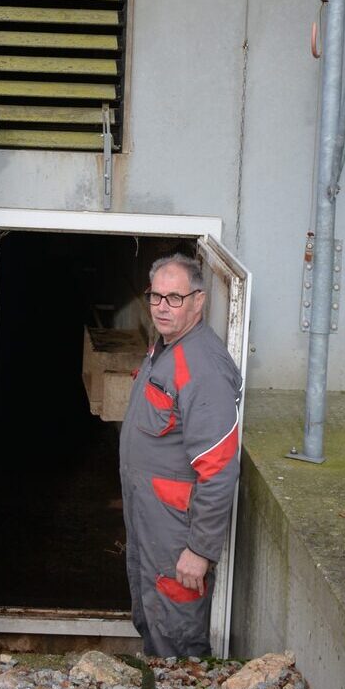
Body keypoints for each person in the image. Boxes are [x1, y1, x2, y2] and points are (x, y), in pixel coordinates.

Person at [119, 253, 242, 656]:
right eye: (157, 297)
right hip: (151, 519)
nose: (162, 307)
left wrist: (201, 550)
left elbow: (220, 468)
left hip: (177, 533)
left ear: (198, 301)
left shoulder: (201, 364)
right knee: (154, 618)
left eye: (175, 297)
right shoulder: (165, 348)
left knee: (177, 634)